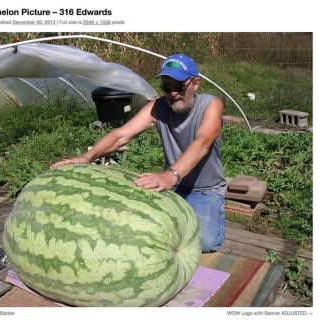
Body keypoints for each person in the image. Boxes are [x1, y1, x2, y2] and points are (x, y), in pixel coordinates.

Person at [51, 54, 226, 252]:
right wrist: (87, 157)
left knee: (204, 242)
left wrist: (171, 175)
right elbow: (121, 135)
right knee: (142, 233)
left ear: (195, 83)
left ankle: (214, 213)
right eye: (167, 87)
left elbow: (202, 143)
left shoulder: (211, 105)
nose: (173, 93)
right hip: (171, 186)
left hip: (204, 189)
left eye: (180, 86)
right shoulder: (158, 106)